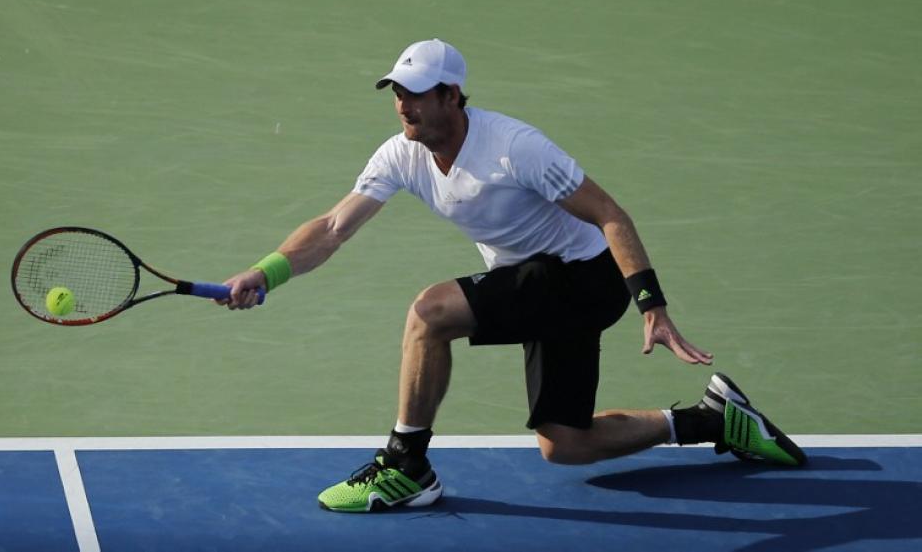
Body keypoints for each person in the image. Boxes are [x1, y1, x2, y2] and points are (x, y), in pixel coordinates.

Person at [218, 39, 806, 513]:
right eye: (397, 92)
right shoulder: (400, 153)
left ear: (451, 95)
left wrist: (651, 304)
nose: (403, 105)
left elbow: (610, 215)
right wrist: (267, 273)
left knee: (430, 312)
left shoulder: (515, 147)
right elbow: (333, 226)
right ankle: (714, 419)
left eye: (417, 94)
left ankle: (405, 465)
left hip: (582, 277)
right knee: (565, 445)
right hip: (537, 285)